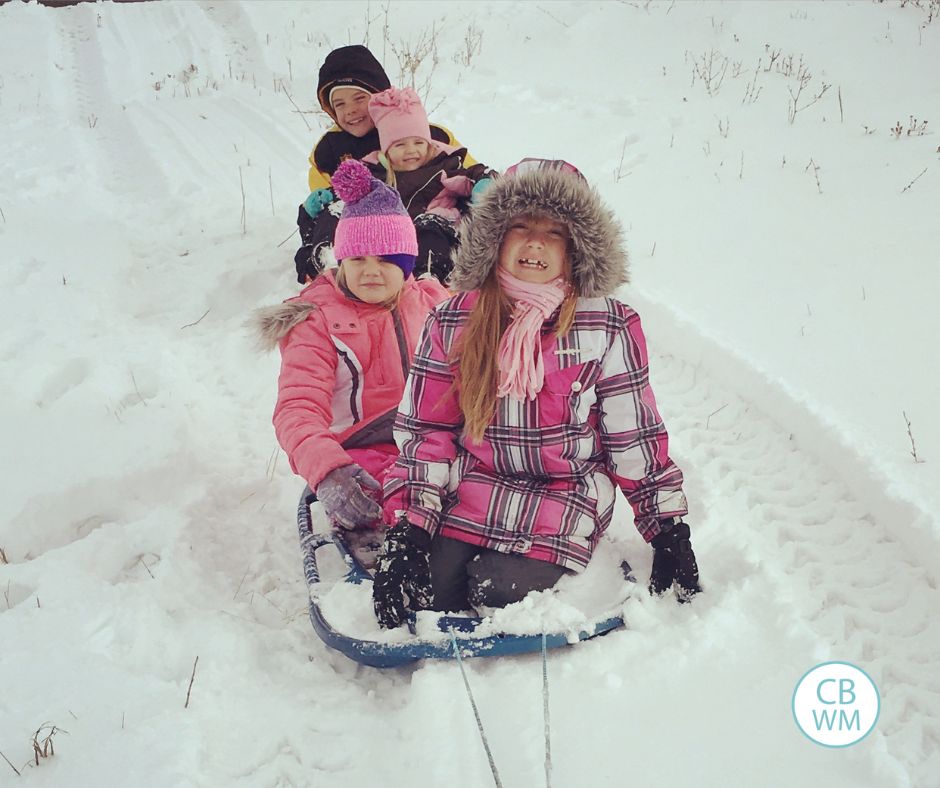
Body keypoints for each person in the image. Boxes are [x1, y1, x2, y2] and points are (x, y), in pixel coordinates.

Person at [371, 159, 702, 629]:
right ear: (494, 237)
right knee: (432, 589)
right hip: (474, 482)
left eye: (554, 233)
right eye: (520, 226)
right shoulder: (453, 320)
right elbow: (427, 428)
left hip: (564, 491)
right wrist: (411, 525)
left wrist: (668, 530)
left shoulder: (607, 324)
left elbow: (634, 437)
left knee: (497, 588)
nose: (534, 243)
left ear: (577, 248)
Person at [259, 159, 449, 564]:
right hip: (360, 451)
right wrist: (329, 471)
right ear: (340, 260)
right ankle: (399, 549)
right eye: (358, 259)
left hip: (433, 439)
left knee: (471, 486)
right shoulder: (316, 317)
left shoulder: (436, 304)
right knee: (394, 498)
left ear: (407, 264)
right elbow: (297, 407)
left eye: (386, 260)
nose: (371, 272)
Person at [295, 45, 476, 285]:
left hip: (427, 218)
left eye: (360, 98)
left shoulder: (422, 133)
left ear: (379, 96)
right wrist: (318, 204)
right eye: (339, 104)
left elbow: (466, 171)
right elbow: (327, 199)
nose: (350, 110)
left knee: (435, 228)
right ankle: (328, 266)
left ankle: (430, 278)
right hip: (366, 232)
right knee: (332, 211)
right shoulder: (329, 149)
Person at [362, 87, 495, 284]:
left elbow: (473, 173)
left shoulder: (443, 167)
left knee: (429, 223)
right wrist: (329, 197)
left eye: (418, 142)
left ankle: (429, 278)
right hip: (391, 243)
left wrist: (484, 182)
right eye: (399, 145)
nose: (411, 150)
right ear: (386, 151)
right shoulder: (374, 176)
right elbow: (346, 195)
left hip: (440, 239)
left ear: (428, 144)